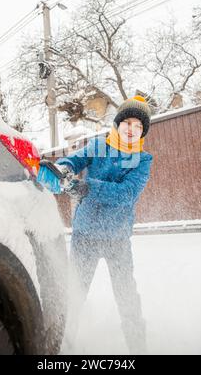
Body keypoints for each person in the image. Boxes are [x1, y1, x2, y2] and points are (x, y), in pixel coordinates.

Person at [55, 95, 153, 355]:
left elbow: (126, 194)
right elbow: (74, 161)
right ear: (118, 123)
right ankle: (59, 349)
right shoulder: (99, 145)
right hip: (85, 236)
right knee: (73, 295)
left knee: (127, 298)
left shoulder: (143, 160)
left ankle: (138, 348)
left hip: (117, 240)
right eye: (127, 123)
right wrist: (63, 169)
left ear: (142, 132)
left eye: (138, 126)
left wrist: (87, 187)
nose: (132, 129)